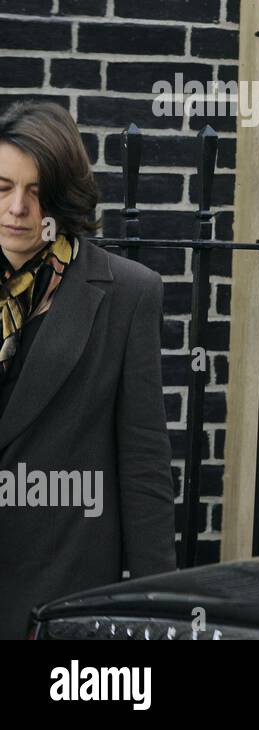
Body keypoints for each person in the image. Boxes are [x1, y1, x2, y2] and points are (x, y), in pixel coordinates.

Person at [0, 101, 175, 639]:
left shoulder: (126, 294)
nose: (17, 208)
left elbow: (145, 469)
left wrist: (157, 613)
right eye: (2, 187)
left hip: (57, 596)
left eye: (36, 191)